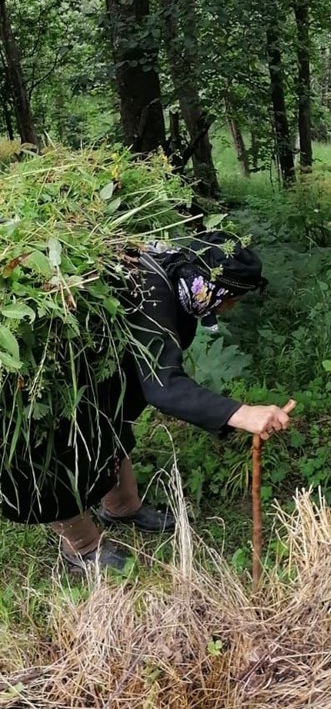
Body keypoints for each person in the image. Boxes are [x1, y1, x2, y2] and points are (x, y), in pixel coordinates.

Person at [0, 234, 296, 572]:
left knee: (110, 425)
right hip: (43, 384)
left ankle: (122, 507)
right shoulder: (152, 293)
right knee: (60, 454)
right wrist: (240, 413)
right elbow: (163, 387)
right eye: (231, 299)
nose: (230, 308)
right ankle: (82, 548)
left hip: (97, 376)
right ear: (208, 286)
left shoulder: (171, 274)